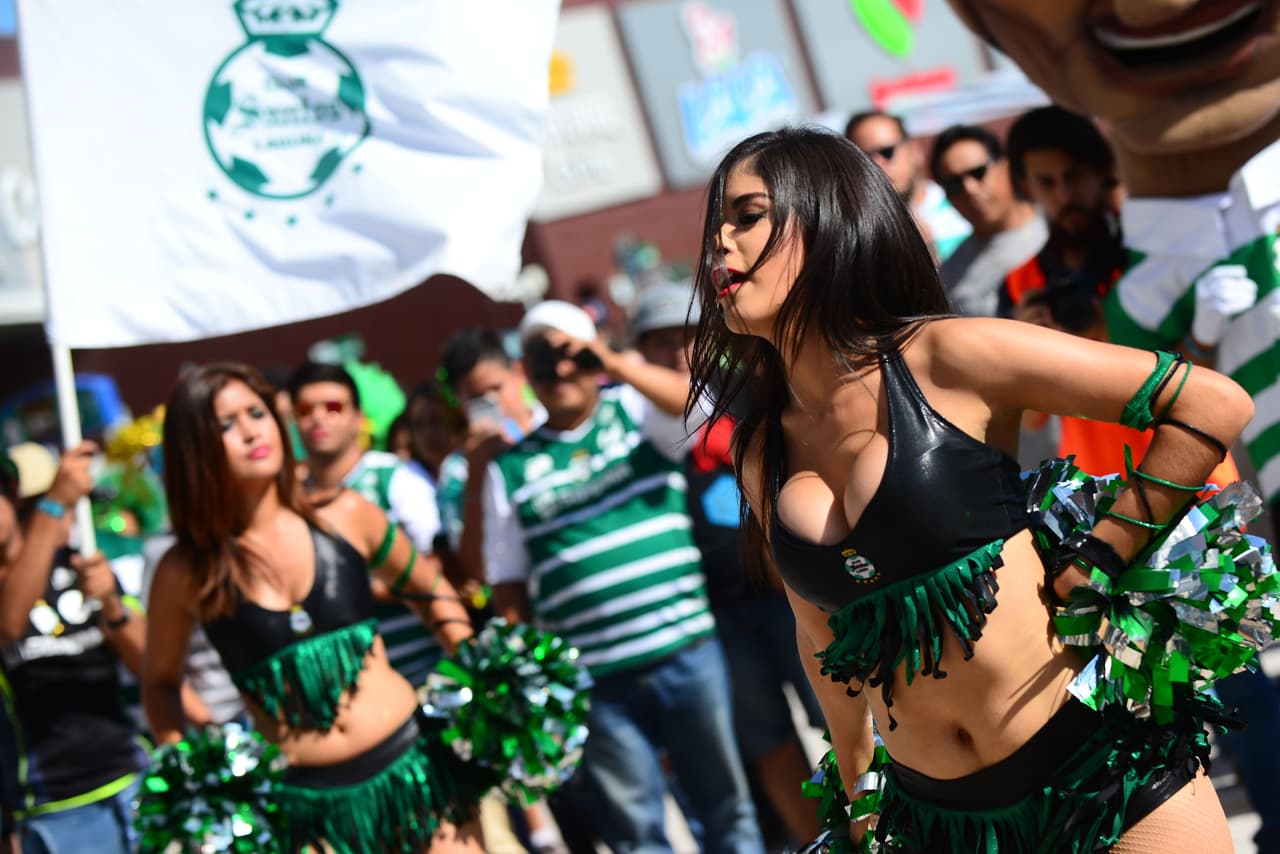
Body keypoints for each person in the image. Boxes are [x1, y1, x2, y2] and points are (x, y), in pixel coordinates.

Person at [688, 127, 1257, 851]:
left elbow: (1210, 404)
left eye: (747, 216)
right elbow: (821, 637)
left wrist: (1102, 553)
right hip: (941, 823)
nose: (720, 243)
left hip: (1099, 774)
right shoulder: (761, 447)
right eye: (717, 224)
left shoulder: (948, 356)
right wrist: (860, 799)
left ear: (828, 217)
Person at [142, 363, 481, 853]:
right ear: (193, 449)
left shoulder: (345, 514)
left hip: (416, 775)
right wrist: (187, 769)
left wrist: (475, 676)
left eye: (257, 413)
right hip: (307, 816)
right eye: (226, 424)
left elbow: (433, 592)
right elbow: (159, 682)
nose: (251, 432)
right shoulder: (185, 570)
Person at [483, 300, 766, 854]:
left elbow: (700, 406)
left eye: (570, 354)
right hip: (596, 678)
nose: (559, 371)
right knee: (637, 833)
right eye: (542, 360)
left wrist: (611, 361)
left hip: (686, 651)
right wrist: (533, 673)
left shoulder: (635, 413)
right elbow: (507, 579)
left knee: (725, 807)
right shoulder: (510, 467)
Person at [631, 280, 824, 847]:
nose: (678, 351)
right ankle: (818, 842)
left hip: (790, 592)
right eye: (660, 341)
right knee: (768, 743)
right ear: (640, 352)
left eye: (689, 335)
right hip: (715, 612)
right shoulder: (635, 422)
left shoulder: (753, 386)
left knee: (839, 716)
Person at [0, 441, 148, 854]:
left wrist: (112, 604)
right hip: (58, 810)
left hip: (134, 779)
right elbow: (8, 623)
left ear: (12, 494)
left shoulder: (81, 565)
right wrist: (54, 505)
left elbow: (152, 666)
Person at [290, 361, 444, 688]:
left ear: (358, 418)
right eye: (305, 410)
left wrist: (360, 588)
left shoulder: (396, 476)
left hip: (428, 672)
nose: (318, 418)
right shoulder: (290, 502)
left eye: (333, 407)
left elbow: (437, 567)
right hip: (352, 687)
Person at [436, 327, 545, 590]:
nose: (491, 401)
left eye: (496, 388)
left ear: (519, 373)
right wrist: (476, 474)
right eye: (476, 398)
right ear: (459, 400)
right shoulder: (456, 471)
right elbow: (475, 568)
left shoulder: (555, 424)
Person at [932, 124, 1046, 317]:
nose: (970, 189)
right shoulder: (948, 279)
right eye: (954, 183)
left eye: (978, 172)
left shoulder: (1062, 225)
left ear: (1005, 167)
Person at [845, 110, 971, 262]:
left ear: (914, 150)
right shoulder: (854, 237)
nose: (877, 165)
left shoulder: (965, 205)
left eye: (887, 152)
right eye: (865, 159)